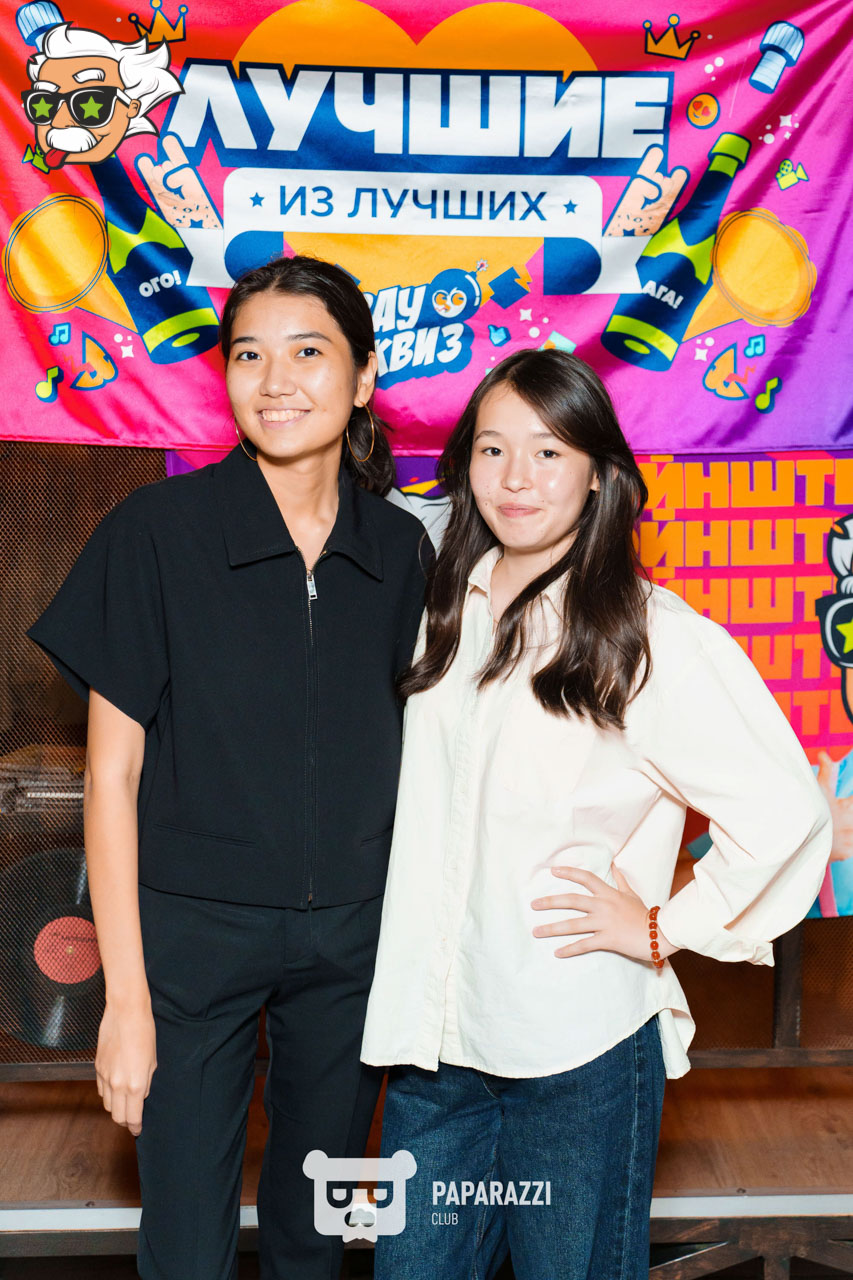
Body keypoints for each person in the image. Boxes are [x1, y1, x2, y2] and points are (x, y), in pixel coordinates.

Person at [361, 348, 831, 1280]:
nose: (515, 477)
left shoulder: (648, 635)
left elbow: (785, 810)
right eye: (491, 449)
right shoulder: (440, 607)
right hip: (433, 1046)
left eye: (547, 452)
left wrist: (664, 927)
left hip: (574, 1050)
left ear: (596, 473)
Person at [27, 254, 430, 1280]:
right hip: (190, 942)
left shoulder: (400, 550)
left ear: (364, 377)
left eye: (308, 352)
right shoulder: (156, 534)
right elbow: (110, 779)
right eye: (248, 355)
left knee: (316, 1230)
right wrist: (126, 1000)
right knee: (184, 1240)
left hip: (353, 942)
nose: (275, 380)